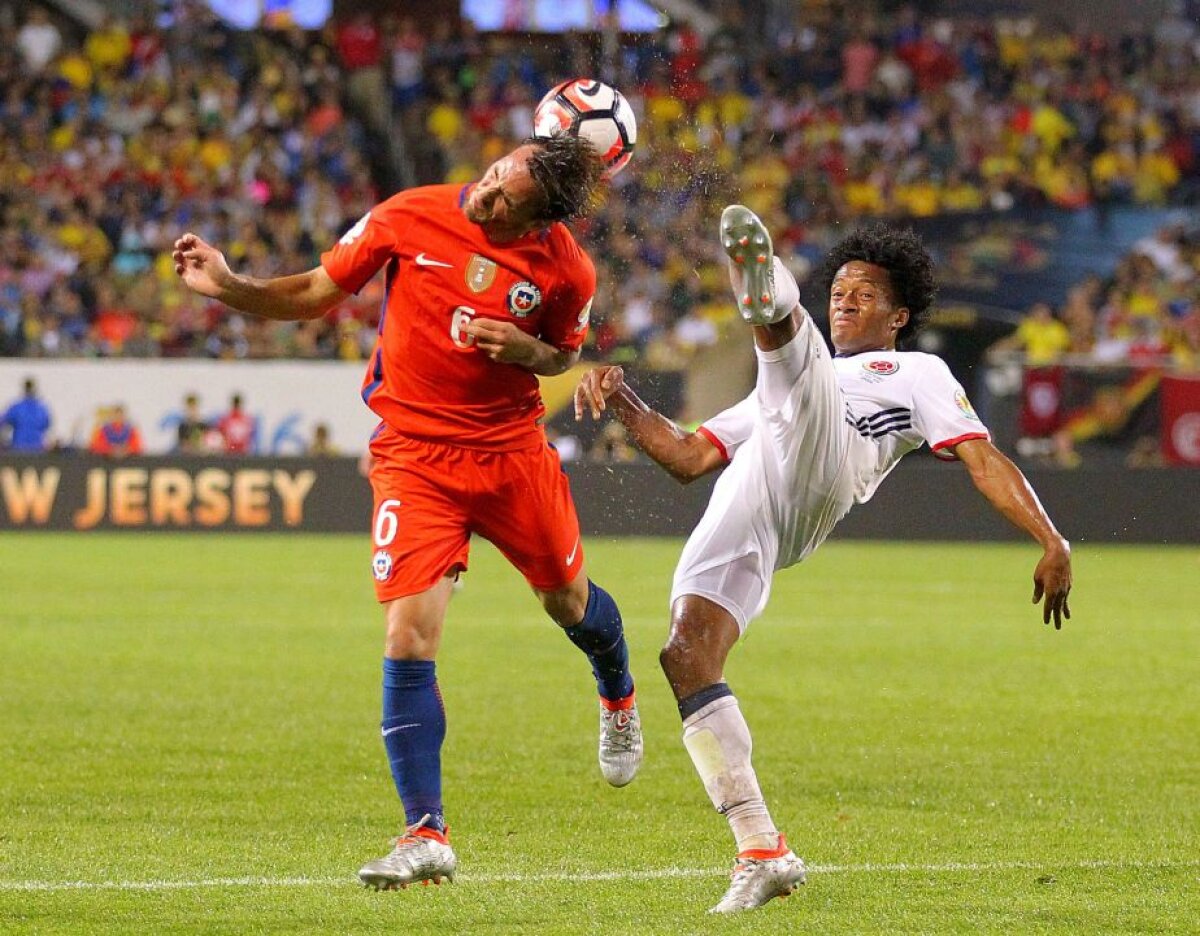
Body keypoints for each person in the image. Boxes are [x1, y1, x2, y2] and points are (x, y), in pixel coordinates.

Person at [173, 133, 642, 890]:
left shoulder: (567, 270)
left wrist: (524, 349)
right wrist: (228, 284)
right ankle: (426, 832)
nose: (484, 196)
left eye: (504, 200)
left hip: (510, 454)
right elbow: (311, 293)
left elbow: (562, 355)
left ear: (540, 223)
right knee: (408, 634)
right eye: (492, 177)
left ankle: (616, 686)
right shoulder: (409, 215)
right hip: (414, 458)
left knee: (569, 603)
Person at [575, 205, 1073, 914]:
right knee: (685, 654)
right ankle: (760, 849)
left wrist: (1050, 537)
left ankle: (765, 295)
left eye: (864, 293)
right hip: (764, 494)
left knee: (795, 372)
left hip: (824, 466)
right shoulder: (776, 396)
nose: (845, 298)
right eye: (837, 289)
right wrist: (620, 394)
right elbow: (687, 458)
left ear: (898, 317)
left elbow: (981, 457)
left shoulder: (916, 371)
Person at [1, 378, 52, 452]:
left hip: (19, 448)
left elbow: (3, 421)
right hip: (37, 449)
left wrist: (4, 440)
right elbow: (47, 424)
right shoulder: (42, 409)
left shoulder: (17, 407)